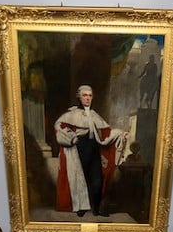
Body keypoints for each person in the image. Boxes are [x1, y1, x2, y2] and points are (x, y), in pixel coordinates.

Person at [53, 85, 127, 217]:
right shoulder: (71, 114)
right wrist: (72, 138)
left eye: (90, 95)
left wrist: (120, 134)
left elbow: (106, 133)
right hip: (78, 149)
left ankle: (97, 209)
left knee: (97, 179)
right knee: (79, 178)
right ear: (79, 97)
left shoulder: (94, 115)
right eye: (85, 95)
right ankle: (81, 208)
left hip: (94, 149)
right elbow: (60, 128)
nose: (87, 98)